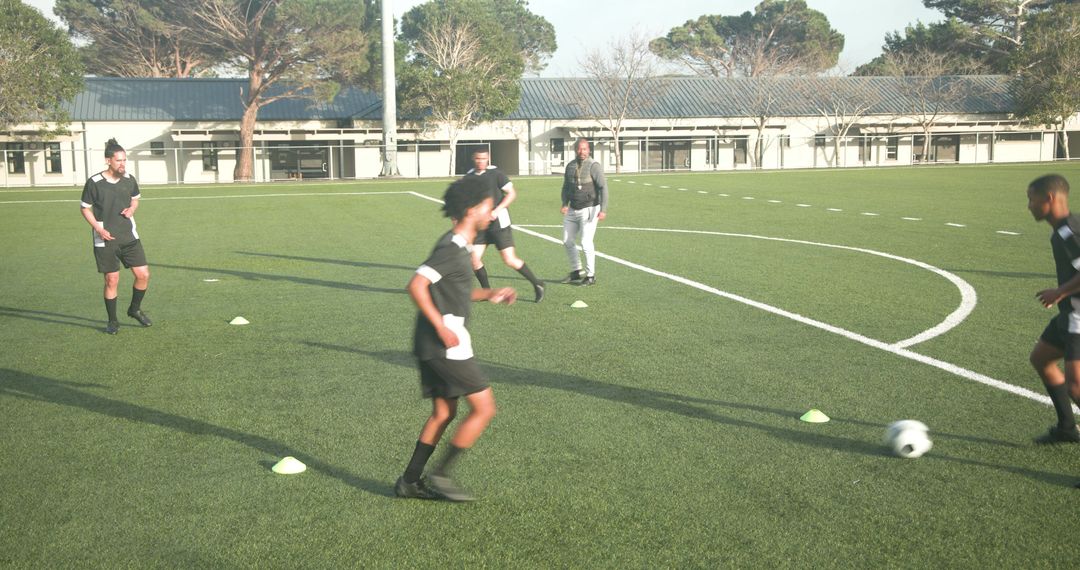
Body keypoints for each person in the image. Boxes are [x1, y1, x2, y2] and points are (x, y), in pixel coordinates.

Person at [396, 176, 517, 502]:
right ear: (472, 209)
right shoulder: (451, 248)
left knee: (443, 413)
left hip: (432, 343)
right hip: (445, 344)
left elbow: (453, 291)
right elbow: (416, 285)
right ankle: (441, 474)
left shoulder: (459, 245)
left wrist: (489, 293)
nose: (492, 214)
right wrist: (441, 328)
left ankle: (409, 481)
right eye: (488, 208)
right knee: (484, 408)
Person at [1027, 173, 1080, 444]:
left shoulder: (1068, 233)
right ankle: (1067, 428)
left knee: (1076, 386)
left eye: (1031, 199)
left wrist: (1059, 292)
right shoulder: (1065, 228)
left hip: (1078, 317)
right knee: (1041, 359)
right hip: (1068, 313)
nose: (1029, 206)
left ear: (1049, 198)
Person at [80, 139, 152, 335]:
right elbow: (85, 208)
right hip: (105, 239)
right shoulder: (95, 183)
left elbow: (135, 199)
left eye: (124, 160)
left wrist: (132, 209)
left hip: (129, 236)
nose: (123, 164)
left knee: (143, 275)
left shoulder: (129, 179)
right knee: (112, 280)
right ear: (108, 161)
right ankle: (112, 321)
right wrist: (98, 229)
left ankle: (134, 309)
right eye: (119, 160)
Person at [465, 149, 545, 302]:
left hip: (498, 223)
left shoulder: (496, 174)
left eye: (483, 158)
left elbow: (512, 193)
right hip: (481, 224)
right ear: (473, 159)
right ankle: (487, 292)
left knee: (509, 259)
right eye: (478, 158)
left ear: (488, 159)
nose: (481, 161)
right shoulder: (469, 176)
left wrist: (497, 210)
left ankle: (537, 283)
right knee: (473, 259)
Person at [561, 137, 608, 286]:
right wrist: (564, 203)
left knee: (585, 242)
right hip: (572, 209)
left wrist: (603, 209)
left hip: (590, 208)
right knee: (567, 240)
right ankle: (576, 271)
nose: (582, 151)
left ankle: (590, 276)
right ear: (575, 150)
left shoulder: (594, 166)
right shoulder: (570, 166)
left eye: (585, 149)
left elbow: (603, 188)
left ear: (589, 150)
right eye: (579, 149)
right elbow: (565, 187)